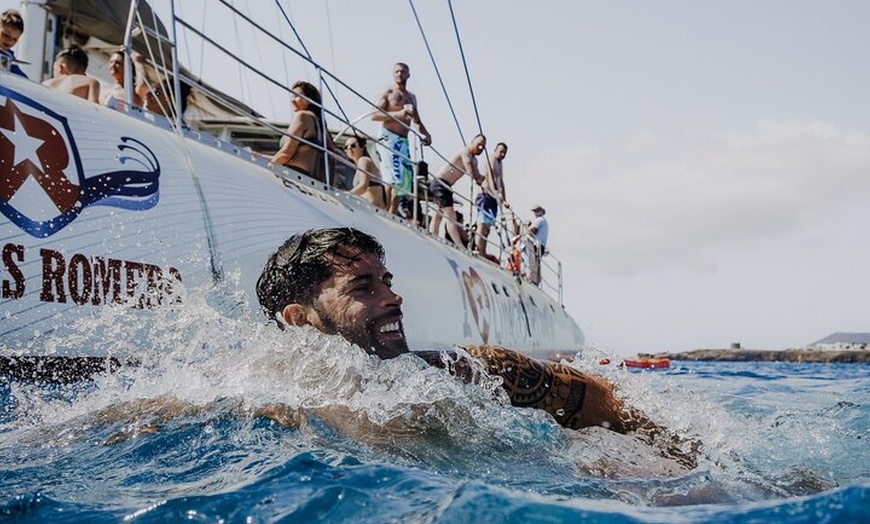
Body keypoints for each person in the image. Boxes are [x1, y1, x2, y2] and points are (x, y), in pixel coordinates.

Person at [255, 227, 698, 467]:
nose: (393, 297)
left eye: (387, 282)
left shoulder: (466, 372)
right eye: (363, 287)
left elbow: (609, 405)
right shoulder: (260, 387)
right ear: (299, 318)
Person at [372, 62, 432, 217]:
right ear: (393, 74)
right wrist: (398, 115)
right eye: (397, 71)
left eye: (403, 72)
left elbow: (416, 120)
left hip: (403, 141)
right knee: (392, 175)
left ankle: (393, 211)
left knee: (404, 180)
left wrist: (426, 134)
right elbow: (374, 115)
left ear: (408, 75)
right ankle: (385, 211)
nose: (400, 74)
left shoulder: (411, 97)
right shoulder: (388, 92)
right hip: (389, 137)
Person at [269, 81, 338, 184]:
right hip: (311, 182)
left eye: (297, 96)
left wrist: (267, 167)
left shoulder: (302, 116)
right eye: (292, 96)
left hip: (292, 176)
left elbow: (286, 154)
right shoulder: (322, 128)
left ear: (309, 100)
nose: (292, 100)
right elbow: (331, 157)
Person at [428, 134, 487, 247]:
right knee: (451, 217)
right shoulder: (465, 152)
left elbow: (477, 175)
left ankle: (433, 236)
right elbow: (470, 169)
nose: (480, 148)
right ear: (472, 141)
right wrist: (477, 177)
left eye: (483, 147)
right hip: (440, 183)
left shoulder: (474, 160)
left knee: (438, 214)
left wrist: (482, 178)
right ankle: (460, 246)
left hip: (447, 186)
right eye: (479, 144)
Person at [474, 142, 509, 260]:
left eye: (504, 153)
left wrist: (504, 199)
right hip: (486, 194)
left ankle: (482, 251)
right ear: (495, 151)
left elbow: (501, 180)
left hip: (494, 198)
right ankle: (478, 249)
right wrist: (494, 191)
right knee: (482, 224)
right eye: (501, 152)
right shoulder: (492, 160)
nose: (502, 154)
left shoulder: (500, 163)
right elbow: (490, 177)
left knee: (488, 226)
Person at [345, 136, 387, 210]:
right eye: (346, 147)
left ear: (362, 148)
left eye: (353, 145)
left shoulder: (363, 160)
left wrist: (346, 195)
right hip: (371, 207)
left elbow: (363, 185)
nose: (349, 148)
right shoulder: (360, 164)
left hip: (371, 207)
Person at [0, 9, 26, 78]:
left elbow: (20, 77)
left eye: (14, 39)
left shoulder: (9, 58)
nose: (10, 41)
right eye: (6, 35)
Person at [527, 205, 549, 285]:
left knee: (534, 260)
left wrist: (526, 233)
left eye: (537, 211)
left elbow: (534, 230)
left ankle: (533, 278)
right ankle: (537, 279)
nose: (535, 213)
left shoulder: (539, 220)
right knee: (537, 261)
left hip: (537, 244)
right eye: (535, 211)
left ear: (541, 211)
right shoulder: (544, 221)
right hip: (541, 245)